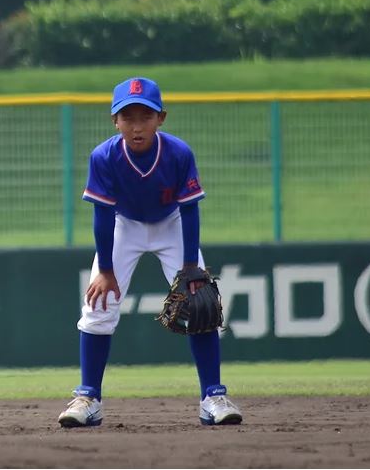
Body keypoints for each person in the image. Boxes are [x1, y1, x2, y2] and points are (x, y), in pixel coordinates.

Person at [57, 77, 242, 428]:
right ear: (115, 121)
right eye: (128, 117)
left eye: (145, 116)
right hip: (123, 226)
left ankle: (213, 397)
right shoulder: (104, 156)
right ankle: (88, 398)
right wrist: (106, 271)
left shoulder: (178, 153)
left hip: (171, 224)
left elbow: (189, 210)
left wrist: (190, 268)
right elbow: (102, 216)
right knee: (98, 305)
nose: (137, 126)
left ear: (162, 118)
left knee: (201, 303)